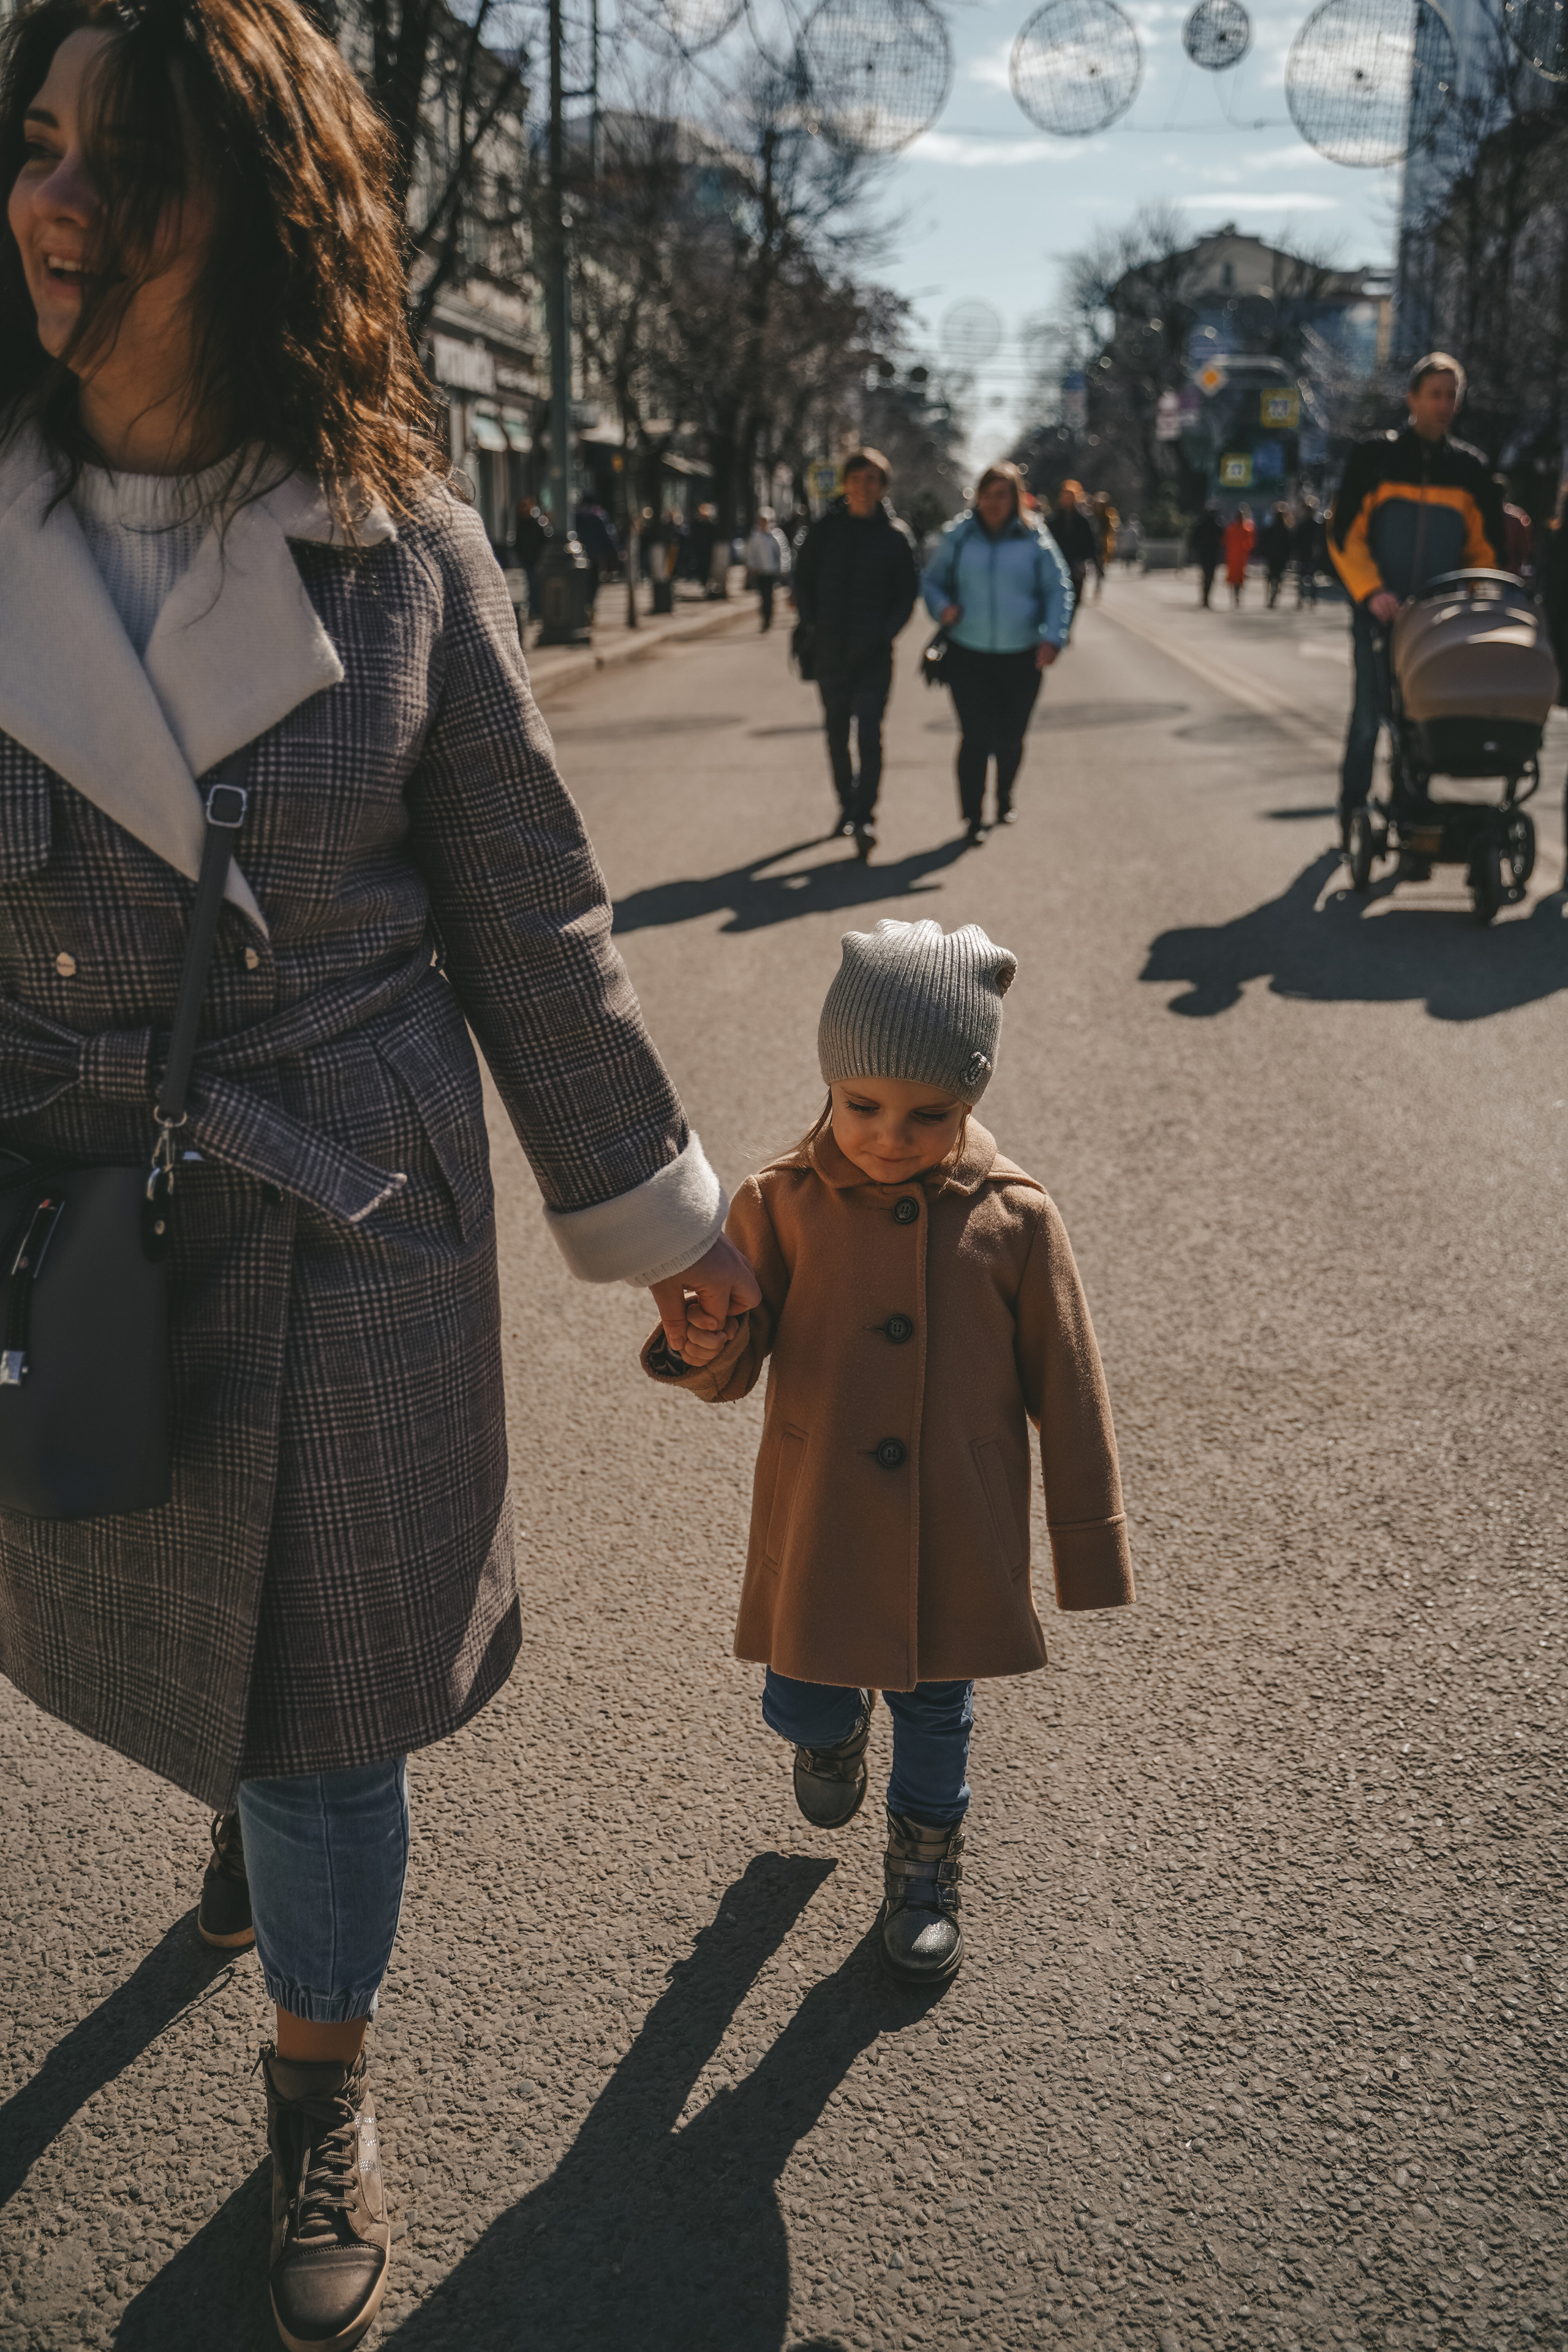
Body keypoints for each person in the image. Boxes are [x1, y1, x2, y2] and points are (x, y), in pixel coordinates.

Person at [0, 6, 761, 2347]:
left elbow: (530, 909)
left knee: (323, 1718)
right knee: (171, 1654)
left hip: (343, 1218)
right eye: (35, 148)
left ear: (264, 214)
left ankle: (316, 2085)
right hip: (57, 1212)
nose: (52, 206)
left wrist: (672, 1232)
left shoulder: (401, 540)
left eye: (121, 167)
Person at [641, 918, 1134, 1986]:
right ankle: (824, 1734)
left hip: (957, 1527)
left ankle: (924, 1862)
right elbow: (731, 1371)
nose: (891, 1135)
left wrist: (1086, 1550)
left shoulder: (1015, 1219)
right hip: (819, 1518)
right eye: (862, 1106)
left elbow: (1073, 1393)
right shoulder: (778, 1202)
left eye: (931, 1113)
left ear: (972, 1098)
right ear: (829, 1084)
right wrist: (706, 1343)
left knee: (938, 1707)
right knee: (803, 1690)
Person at [1328, 352, 1502, 849]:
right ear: (1412, 399)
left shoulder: (1469, 471)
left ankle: (1413, 815)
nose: (1445, 405)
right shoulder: (1375, 459)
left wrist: (1476, 601)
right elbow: (1344, 535)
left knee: (1424, 719)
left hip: (1438, 624)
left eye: (1453, 396)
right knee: (1369, 716)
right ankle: (1353, 809)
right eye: (1436, 395)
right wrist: (1372, 592)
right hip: (1379, 613)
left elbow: (1485, 551)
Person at [919, 460, 1072, 843]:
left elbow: (1058, 589)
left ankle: (1005, 795)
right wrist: (942, 608)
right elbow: (932, 582)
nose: (993, 502)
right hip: (967, 653)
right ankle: (972, 816)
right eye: (987, 493)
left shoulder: (1035, 538)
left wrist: (1054, 637)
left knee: (1010, 736)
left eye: (1002, 494)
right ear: (978, 497)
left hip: (1022, 655)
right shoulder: (959, 537)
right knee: (974, 737)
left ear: (1016, 498)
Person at [790, 448, 919, 861]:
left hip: (874, 655)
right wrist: (811, 621)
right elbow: (802, 580)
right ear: (845, 484)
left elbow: (906, 595)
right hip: (829, 652)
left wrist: (885, 633)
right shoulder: (825, 531)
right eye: (856, 479)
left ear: (882, 488)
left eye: (872, 481)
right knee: (835, 733)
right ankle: (846, 804)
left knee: (869, 735)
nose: (863, 488)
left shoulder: (895, 536)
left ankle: (865, 815)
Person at [1046, 478, 1096, 636]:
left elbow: (1090, 544)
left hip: (1077, 567)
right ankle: (1059, 627)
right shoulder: (1054, 521)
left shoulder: (1083, 521)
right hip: (1058, 566)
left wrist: (1091, 563)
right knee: (1058, 598)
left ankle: (1068, 627)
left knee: (1076, 600)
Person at [744, 504, 788, 631]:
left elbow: (783, 552)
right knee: (763, 596)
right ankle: (765, 618)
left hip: (772, 571)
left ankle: (769, 618)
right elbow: (751, 553)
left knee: (769, 596)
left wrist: (782, 568)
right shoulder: (755, 536)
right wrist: (753, 566)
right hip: (761, 571)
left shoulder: (776, 535)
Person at [513, 492, 549, 619]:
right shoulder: (521, 524)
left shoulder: (535, 523)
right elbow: (518, 543)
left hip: (535, 559)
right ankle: (534, 610)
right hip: (527, 560)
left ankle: (535, 610)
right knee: (531, 585)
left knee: (534, 585)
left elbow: (543, 540)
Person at [641, 504, 680, 615]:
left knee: (666, 578)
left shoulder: (671, 530)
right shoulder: (657, 530)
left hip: (667, 560)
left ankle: (666, 603)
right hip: (661, 558)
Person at [1188, 502, 1223, 606]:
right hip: (1211, 555)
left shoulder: (1202, 526)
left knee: (1206, 577)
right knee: (1209, 577)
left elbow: (1194, 541)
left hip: (1205, 555)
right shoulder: (1217, 528)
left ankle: (1205, 597)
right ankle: (1206, 598)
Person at [1292, 494, 1323, 606]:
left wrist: (1295, 554)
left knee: (1303, 578)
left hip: (1305, 555)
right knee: (1312, 578)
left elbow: (1296, 541)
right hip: (1312, 555)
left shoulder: (1302, 526)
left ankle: (1302, 598)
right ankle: (1312, 598)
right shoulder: (1317, 526)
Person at [1261, 502, 1292, 608]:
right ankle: (1273, 596)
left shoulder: (1271, 529)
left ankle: (1270, 597)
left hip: (1272, 557)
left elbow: (1264, 543)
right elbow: (1289, 546)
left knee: (1270, 577)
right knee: (1278, 578)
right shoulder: (1286, 530)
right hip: (1281, 559)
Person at [1088, 489, 1118, 598]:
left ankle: (1098, 587)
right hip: (1092, 544)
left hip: (1102, 545)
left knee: (1100, 567)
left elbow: (1111, 531)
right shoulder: (1091, 516)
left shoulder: (1109, 516)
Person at [1223, 504, 1255, 606]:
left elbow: (1225, 542)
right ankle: (1237, 596)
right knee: (1239, 577)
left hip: (1233, 556)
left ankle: (1234, 596)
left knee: (1234, 577)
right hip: (1240, 557)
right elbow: (1250, 544)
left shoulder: (1231, 529)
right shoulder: (1246, 530)